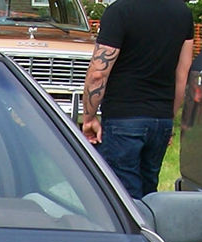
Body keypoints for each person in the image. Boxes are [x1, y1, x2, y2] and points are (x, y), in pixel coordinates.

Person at [79, 0, 194, 199]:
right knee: (149, 193)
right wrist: (169, 116)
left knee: (122, 198)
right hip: (161, 119)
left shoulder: (120, 11)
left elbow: (98, 73)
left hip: (123, 118)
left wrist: (89, 117)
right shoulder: (182, 12)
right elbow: (182, 74)